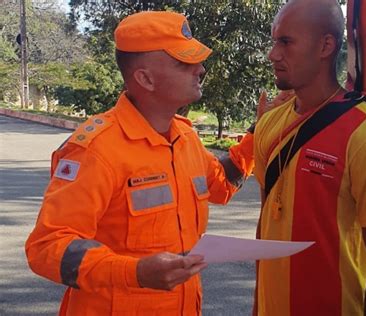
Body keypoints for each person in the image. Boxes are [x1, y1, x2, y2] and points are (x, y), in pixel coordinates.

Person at [25, 11, 256, 315]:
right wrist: (133, 272)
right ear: (145, 78)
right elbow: (47, 247)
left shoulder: (185, 138)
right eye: (184, 63)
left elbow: (223, 186)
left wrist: (257, 132)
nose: (200, 69)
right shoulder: (97, 149)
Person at [253, 0, 366, 315]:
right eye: (274, 41)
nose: (273, 54)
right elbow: (267, 227)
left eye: (286, 41)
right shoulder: (269, 124)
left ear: (326, 45)